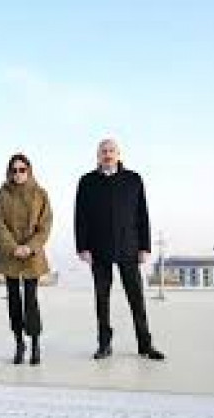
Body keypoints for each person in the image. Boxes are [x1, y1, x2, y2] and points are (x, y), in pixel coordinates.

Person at [74, 138, 165, 361]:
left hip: (129, 247)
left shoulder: (133, 180)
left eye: (111, 151)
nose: (107, 154)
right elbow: (80, 217)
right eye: (103, 151)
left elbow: (142, 215)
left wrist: (144, 246)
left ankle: (145, 344)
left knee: (136, 298)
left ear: (118, 154)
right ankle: (104, 344)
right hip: (98, 248)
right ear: (98, 156)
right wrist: (83, 247)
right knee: (102, 299)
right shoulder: (87, 181)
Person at [0, 153, 53, 365]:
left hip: (32, 256)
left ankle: (35, 342)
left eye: (22, 169)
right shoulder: (2, 194)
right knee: (13, 301)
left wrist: (30, 247)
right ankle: (19, 343)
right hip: (9, 255)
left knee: (31, 300)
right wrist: (13, 247)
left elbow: (45, 225)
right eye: (14, 170)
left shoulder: (40, 194)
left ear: (29, 170)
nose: (18, 173)